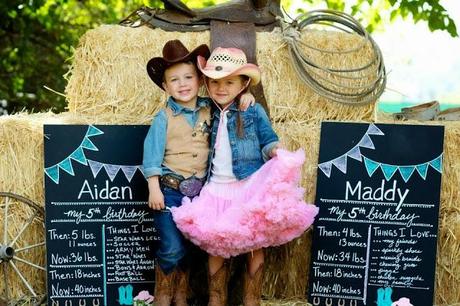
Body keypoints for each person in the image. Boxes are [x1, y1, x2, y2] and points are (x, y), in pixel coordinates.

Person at [171, 47, 319, 306]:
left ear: (243, 84)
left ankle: (252, 300)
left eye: (230, 82)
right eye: (215, 82)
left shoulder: (253, 110)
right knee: (216, 245)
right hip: (216, 188)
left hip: (248, 186)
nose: (221, 88)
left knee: (254, 244)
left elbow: (268, 140)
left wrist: (275, 151)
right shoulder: (207, 110)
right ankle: (217, 299)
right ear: (206, 83)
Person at [143, 40, 255, 306]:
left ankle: (181, 294)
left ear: (200, 80)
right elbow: (152, 154)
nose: (182, 84)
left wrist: (244, 97)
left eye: (188, 77)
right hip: (169, 193)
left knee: (191, 249)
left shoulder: (209, 108)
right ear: (165, 86)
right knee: (172, 247)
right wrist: (154, 187)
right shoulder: (164, 117)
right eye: (174, 80)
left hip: (200, 195)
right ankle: (163, 295)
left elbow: (228, 99)